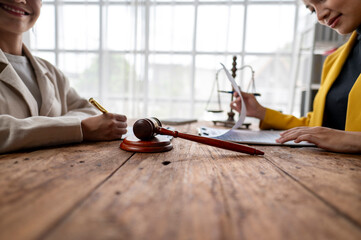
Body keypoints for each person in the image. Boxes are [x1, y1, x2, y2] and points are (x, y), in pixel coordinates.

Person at [230, 0, 361, 153]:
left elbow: (334, 135)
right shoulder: (334, 60)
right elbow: (317, 126)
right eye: (312, 9)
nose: (320, 15)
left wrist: (352, 140)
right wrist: (261, 112)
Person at [0, 0, 127, 153]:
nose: (20, 0)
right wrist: (79, 129)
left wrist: (55, 129)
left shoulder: (50, 71)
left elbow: (88, 110)